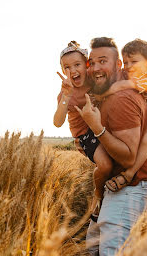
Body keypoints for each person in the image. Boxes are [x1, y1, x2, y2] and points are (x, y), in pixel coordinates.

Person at [75, 37, 147, 256]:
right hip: (117, 184)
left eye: (103, 61)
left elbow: (128, 154)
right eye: (92, 62)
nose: (95, 68)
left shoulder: (122, 96)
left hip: (133, 184)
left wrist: (96, 127)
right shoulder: (108, 93)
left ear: (118, 66)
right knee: (95, 251)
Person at [102, 39, 147, 192]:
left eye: (134, 61)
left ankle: (129, 174)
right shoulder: (128, 73)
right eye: (125, 62)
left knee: (146, 139)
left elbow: (121, 86)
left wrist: (101, 95)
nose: (128, 66)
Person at [53, 41, 113, 210]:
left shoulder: (95, 81)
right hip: (86, 135)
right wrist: (66, 95)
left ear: (87, 65)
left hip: (102, 124)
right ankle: (98, 194)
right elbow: (57, 123)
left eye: (77, 64)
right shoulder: (66, 93)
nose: (72, 71)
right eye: (67, 67)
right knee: (106, 165)